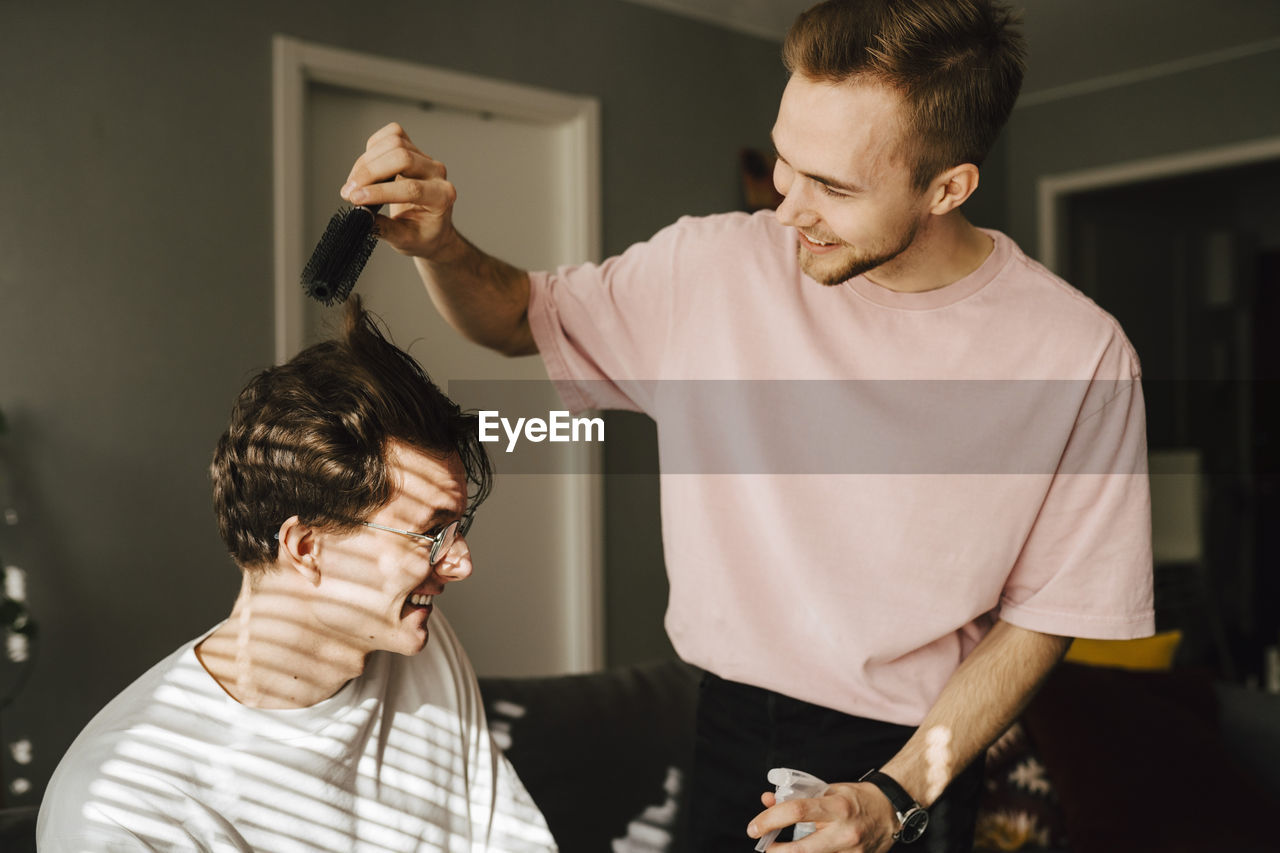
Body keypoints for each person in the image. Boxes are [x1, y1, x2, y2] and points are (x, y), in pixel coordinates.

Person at [337, 1, 1154, 850]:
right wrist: (440, 245)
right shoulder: (713, 266)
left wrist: (894, 796)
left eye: (833, 187)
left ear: (949, 187)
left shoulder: (1082, 358)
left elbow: (1043, 617)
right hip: (725, 725)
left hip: (909, 757)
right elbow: (516, 317)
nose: (788, 207)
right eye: (785, 164)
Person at [37, 299, 556, 851]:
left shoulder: (420, 646)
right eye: (431, 534)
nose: (461, 561)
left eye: (456, 527)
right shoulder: (128, 809)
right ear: (307, 548)